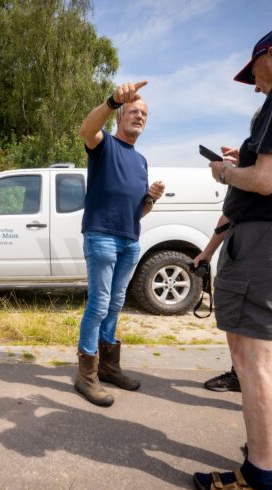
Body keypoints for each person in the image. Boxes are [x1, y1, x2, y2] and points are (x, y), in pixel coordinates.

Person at [193, 29, 272, 490]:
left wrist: (226, 172)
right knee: (260, 358)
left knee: (252, 360)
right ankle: (263, 459)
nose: (253, 84)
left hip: (261, 241)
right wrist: (240, 161)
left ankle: (261, 479)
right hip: (261, 239)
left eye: (254, 71)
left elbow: (265, 181)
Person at [75, 81, 165, 407]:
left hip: (130, 240)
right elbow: (86, 128)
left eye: (144, 114)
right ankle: (86, 376)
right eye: (133, 111)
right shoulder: (105, 145)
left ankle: (109, 367)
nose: (139, 116)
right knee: (98, 305)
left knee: (115, 304)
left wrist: (151, 200)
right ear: (120, 117)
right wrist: (112, 100)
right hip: (101, 236)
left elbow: (138, 212)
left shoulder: (140, 161)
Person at [199, 108, 262, 395]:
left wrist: (226, 172)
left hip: (254, 254)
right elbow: (229, 215)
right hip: (245, 246)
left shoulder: (258, 175)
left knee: (251, 338)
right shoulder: (249, 172)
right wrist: (208, 253)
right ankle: (241, 375)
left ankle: (248, 381)